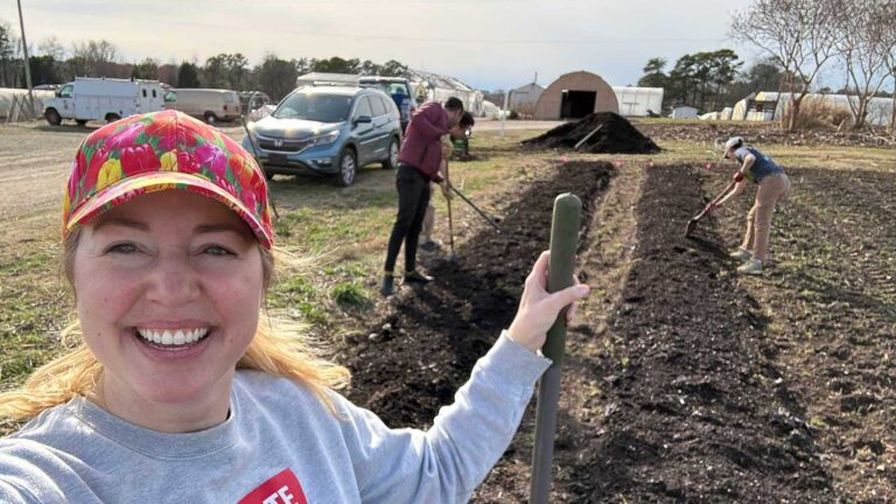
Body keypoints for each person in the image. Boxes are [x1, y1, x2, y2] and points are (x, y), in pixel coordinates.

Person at [0, 110, 590, 503]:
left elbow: (436, 474)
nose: (172, 288)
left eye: (214, 248)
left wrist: (521, 340)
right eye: (127, 247)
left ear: (263, 278)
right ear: (72, 275)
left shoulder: (304, 415)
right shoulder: (49, 478)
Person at [381, 97, 464, 297]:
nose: (455, 125)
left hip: (422, 179)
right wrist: (442, 134)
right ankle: (388, 276)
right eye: (458, 119)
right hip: (409, 174)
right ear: (457, 112)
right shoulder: (435, 108)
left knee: (416, 225)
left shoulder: (439, 133)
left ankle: (410, 271)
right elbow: (416, 119)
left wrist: (440, 179)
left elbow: (426, 163)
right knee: (403, 222)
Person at [713, 136, 791, 275]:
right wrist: (719, 204)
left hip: (771, 181)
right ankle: (746, 250)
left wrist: (741, 172)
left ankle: (757, 262)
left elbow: (750, 159)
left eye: (727, 155)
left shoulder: (742, 152)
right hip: (781, 181)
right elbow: (737, 190)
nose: (729, 158)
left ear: (731, 149)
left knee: (761, 221)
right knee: (752, 216)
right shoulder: (744, 163)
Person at [421, 111, 475, 252]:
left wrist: (446, 181)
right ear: (458, 126)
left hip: (428, 173)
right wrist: (443, 180)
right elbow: (436, 159)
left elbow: (441, 161)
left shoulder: (447, 137)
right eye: (465, 130)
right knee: (423, 206)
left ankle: (427, 238)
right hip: (419, 171)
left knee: (429, 206)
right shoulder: (442, 134)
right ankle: (421, 241)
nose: (465, 135)